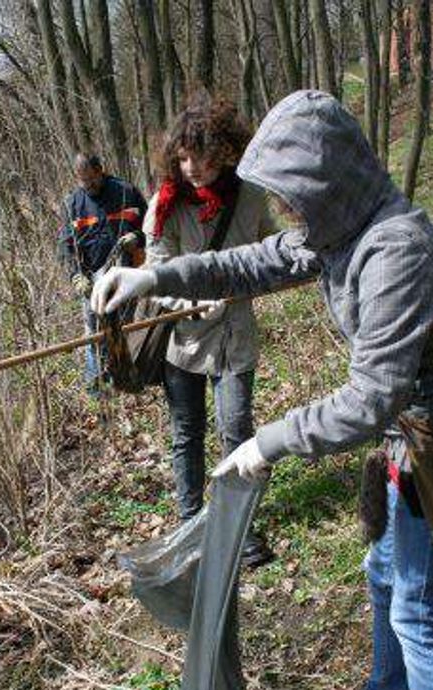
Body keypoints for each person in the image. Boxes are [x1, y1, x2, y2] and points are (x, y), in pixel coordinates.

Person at [93, 90, 433, 690]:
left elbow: (370, 398)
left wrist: (265, 442)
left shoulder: (396, 250)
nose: (284, 211)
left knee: (419, 613)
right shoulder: (343, 228)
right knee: (385, 574)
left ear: (327, 180)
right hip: (413, 435)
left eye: (291, 194)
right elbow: (250, 263)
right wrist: (153, 282)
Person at [144, 95, 278, 567]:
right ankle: (189, 526)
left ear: (224, 151)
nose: (191, 167)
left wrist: (247, 283)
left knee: (236, 430)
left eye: (200, 156)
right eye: (182, 158)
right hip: (183, 343)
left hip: (235, 338)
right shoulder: (165, 205)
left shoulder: (252, 195)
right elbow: (155, 273)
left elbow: (272, 254)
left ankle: (238, 530)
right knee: (187, 433)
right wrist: (187, 304)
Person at [58, 153, 147, 393]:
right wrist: (76, 276)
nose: (88, 186)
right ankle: (96, 389)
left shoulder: (127, 192)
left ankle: (124, 381)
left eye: (92, 180)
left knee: (123, 329)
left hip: (125, 274)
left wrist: (138, 237)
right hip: (91, 279)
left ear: (101, 170)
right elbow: (66, 246)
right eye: (82, 181)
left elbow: (151, 227)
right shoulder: (72, 204)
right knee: (94, 333)